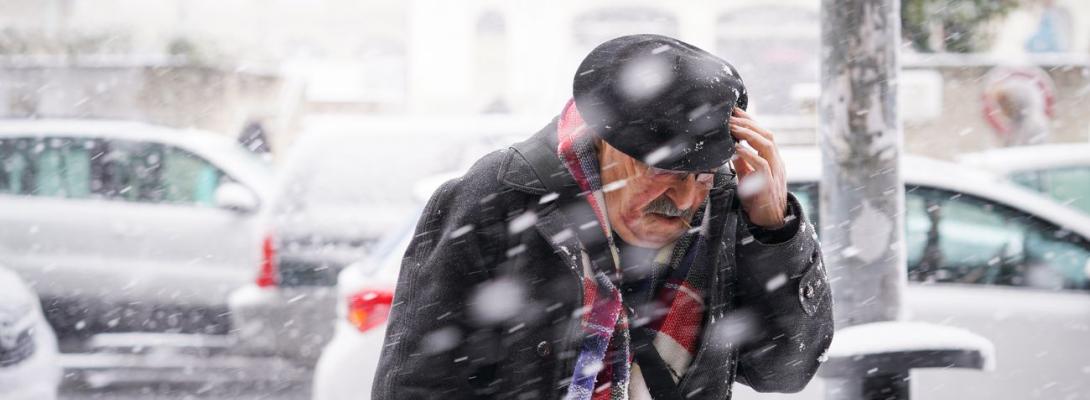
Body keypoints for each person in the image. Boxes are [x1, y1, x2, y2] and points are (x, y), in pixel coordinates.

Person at [372, 34, 832, 400]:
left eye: (705, 175)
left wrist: (775, 232)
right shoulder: (496, 199)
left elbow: (784, 373)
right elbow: (421, 386)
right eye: (669, 172)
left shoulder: (729, 205)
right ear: (606, 143)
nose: (688, 198)